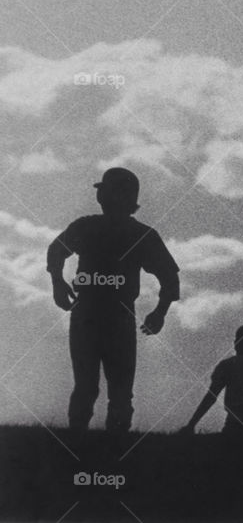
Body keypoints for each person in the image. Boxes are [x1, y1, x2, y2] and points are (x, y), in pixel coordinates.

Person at [47, 167, 180, 433]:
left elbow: (169, 277)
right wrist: (160, 312)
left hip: (96, 314)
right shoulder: (135, 233)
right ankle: (105, 446)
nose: (100, 196)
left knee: (95, 387)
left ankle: (86, 444)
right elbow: (170, 277)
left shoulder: (92, 227)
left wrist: (58, 283)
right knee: (112, 390)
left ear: (111, 195)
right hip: (108, 315)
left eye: (105, 191)